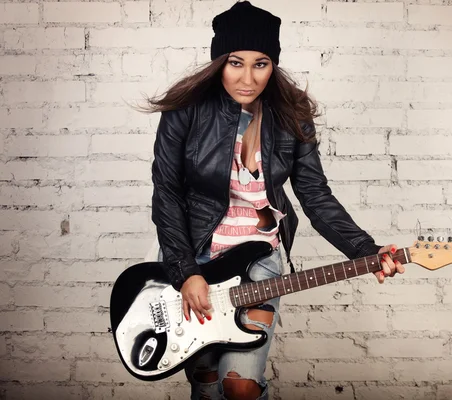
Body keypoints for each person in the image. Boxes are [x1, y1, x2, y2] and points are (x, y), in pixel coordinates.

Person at [144, 2, 405, 399]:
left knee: (241, 387)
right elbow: (166, 192)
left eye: (261, 64)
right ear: (219, 62)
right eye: (236, 63)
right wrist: (184, 271)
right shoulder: (186, 111)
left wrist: (365, 250)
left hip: (260, 260)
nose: (247, 78)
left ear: (274, 64)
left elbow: (315, 196)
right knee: (207, 383)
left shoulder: (291, 116)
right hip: (194, 255)